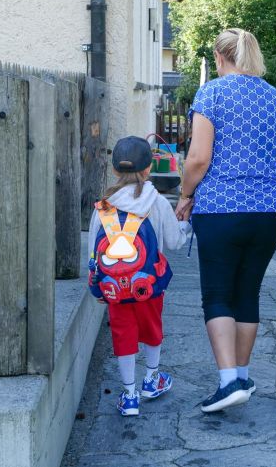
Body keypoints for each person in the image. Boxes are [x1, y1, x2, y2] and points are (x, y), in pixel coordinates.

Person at [175, 28, 276, 413]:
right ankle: (241, 375)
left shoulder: (212, 94)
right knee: (247, 293)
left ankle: (228, 382)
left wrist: (186, 194)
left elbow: (197, 160)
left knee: (218, 294)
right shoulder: (275, 98)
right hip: (269, 210)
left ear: (220, 57)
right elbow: (271, 154)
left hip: (222, 209)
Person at [87, 136, 188, 416]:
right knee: (152, 330)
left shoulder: (104, 205)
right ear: (148, 169)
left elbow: (93, 253)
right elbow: (174, 241)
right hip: (149, 285)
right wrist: (185, 226)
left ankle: (129, 395)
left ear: (115, 170)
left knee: (123, 335)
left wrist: (97, 286)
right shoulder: (155, 201)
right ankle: (151, 380)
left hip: (114, 289)